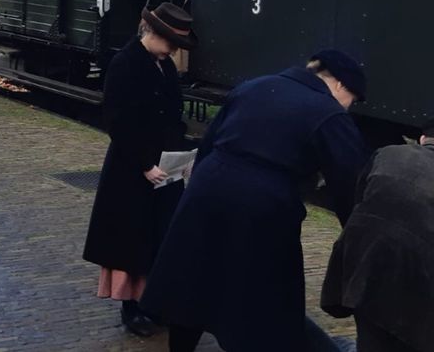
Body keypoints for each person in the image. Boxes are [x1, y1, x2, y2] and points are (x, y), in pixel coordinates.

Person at [140, 49, 372, 352]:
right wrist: (358, 238)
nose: (348, 107)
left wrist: (199, 190)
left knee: (195, 279)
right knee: (263, 296)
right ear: (341, 85)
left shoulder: (254, 86)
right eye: (352, 100)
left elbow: (209, 143)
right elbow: (349, 184)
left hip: (208, 190)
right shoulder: (328, 113)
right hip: (263, 205)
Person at [82, 3, 197, 338]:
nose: (175, 49)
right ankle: (131, 307)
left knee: (162, 236)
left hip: (166, 168)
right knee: (131, 238)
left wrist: (182, 158)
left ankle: (155, 302)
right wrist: (144, 164)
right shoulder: (125, 63)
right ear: (152, 33)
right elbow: (118, 121)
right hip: (132, 168)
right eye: (171, 41)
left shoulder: (164, 67)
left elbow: (173, 115)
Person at [321, 120, 434, 352]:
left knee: (373, 334)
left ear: (422, 139)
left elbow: (358, 199)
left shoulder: (387, 154)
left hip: (365, 265)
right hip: (419, 277)